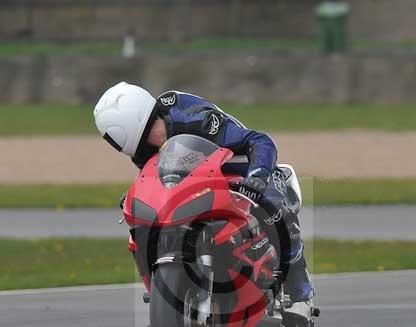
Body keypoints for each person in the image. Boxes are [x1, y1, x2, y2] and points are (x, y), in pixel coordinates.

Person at [93, 81, 314, 305]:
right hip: (198, 181)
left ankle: (297, 280)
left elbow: (259, 140)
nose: (156, 143)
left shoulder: (197, 119)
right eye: (146, 141)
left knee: (274, 205)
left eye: (153, 132)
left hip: (244, 167)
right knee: (145, 225)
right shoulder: (142, 150)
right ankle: (166, 290)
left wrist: (257, 176)